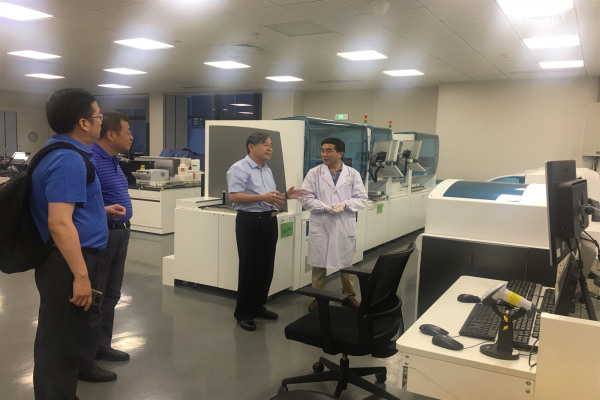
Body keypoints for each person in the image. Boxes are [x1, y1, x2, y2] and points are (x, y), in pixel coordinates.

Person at [29, 88, 125, 399]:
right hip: (68, 262)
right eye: (98, 116)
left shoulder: (58, 152)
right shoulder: (69, 159)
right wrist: (81, 275)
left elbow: (66, 210)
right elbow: (59, 222)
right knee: (60, 342)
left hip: (68, 258)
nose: (101, 122)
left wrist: (100, 211)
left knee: (65, 337)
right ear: (84, 123)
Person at [226, 132, 305, 331]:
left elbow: (270, 197)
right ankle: (243, 313)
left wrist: (286, 195)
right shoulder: (239, 168)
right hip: (250, 222)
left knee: (266, 266)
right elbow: (234, 197)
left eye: (271, 145)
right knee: (250, 267)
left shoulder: (267, 169)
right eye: (265, 144)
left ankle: (258, 306)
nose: (269, 148)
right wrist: (262, 197)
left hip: (269, 221)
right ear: (251, 147)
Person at [78, 112, 134, 382]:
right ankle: (84, 363)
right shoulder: (91, 160)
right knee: (96, 298)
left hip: (121, 233)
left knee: (111, 294)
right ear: (111, 134)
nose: (132, 137)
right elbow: (80, 202)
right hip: (104, 236)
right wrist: (104, 210)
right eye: (128, 132)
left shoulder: (113, 161)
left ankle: (101, 346)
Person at [301, 138, 368, 312]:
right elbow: (305, 198)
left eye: (328, 150)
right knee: (318, 265)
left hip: (343, 224)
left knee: (346, 264)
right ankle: (318, 299)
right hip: (321, 223)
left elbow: (362, 199)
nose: (324, 154)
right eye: (322, 150)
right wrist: (323, 207)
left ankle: (349, 297)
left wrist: (345, 204)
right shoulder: (314, 173)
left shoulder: (352, 174)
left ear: (340, 153)